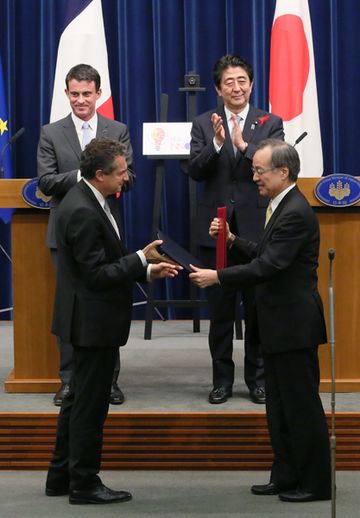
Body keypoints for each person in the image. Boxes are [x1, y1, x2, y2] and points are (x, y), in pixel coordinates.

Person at [190, 139, 331, 502]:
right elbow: (265, 253)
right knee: (279, 407)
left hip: (294, 326)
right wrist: (233, 238)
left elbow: (269, 266)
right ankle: (285, 475)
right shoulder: (279, 205)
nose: (253, 177)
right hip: (276, 324)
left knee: (300, 407)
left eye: (259, 170)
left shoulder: (296, 211)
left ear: (283, 173)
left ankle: (314, 483)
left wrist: (218, 277)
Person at [45, 138, 180, 505]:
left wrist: (146, 268)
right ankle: (84, 484)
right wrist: (139, 259)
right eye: (121, 172)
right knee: (91, 406)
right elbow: (96, 275)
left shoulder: (88, 199)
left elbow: (103, 264)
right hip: (92, 322)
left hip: (88, 318)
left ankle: (60, 476)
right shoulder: (84, 210)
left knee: (77, 401)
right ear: (100, 174)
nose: (126, 178)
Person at [188, 54, 284, 405]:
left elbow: (277, 164)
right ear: (218, 88)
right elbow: (195, 171)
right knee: (221, 312)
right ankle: (222, 381)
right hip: (216, 232)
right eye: (229, 82)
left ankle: (257, 379)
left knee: (257, 308)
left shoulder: (269, 121)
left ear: (251, 84)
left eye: (242, 80)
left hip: (256, 232)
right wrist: (216, 144)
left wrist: (244, 146)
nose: (236, 87)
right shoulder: (203, 123)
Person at [37, 64, 134, 406]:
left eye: (86, 93)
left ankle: (109, 381)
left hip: (105, 231)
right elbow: (46, 183)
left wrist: (97, 176)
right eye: (74, 93)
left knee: (106, 305)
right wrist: (88, 175)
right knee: (71, 306)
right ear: (66, 94)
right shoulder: (51, 132)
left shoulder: (117, 129)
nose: (80, 100)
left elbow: (128, 177)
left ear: (98, 94)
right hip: (65, 233)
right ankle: (69, 381)